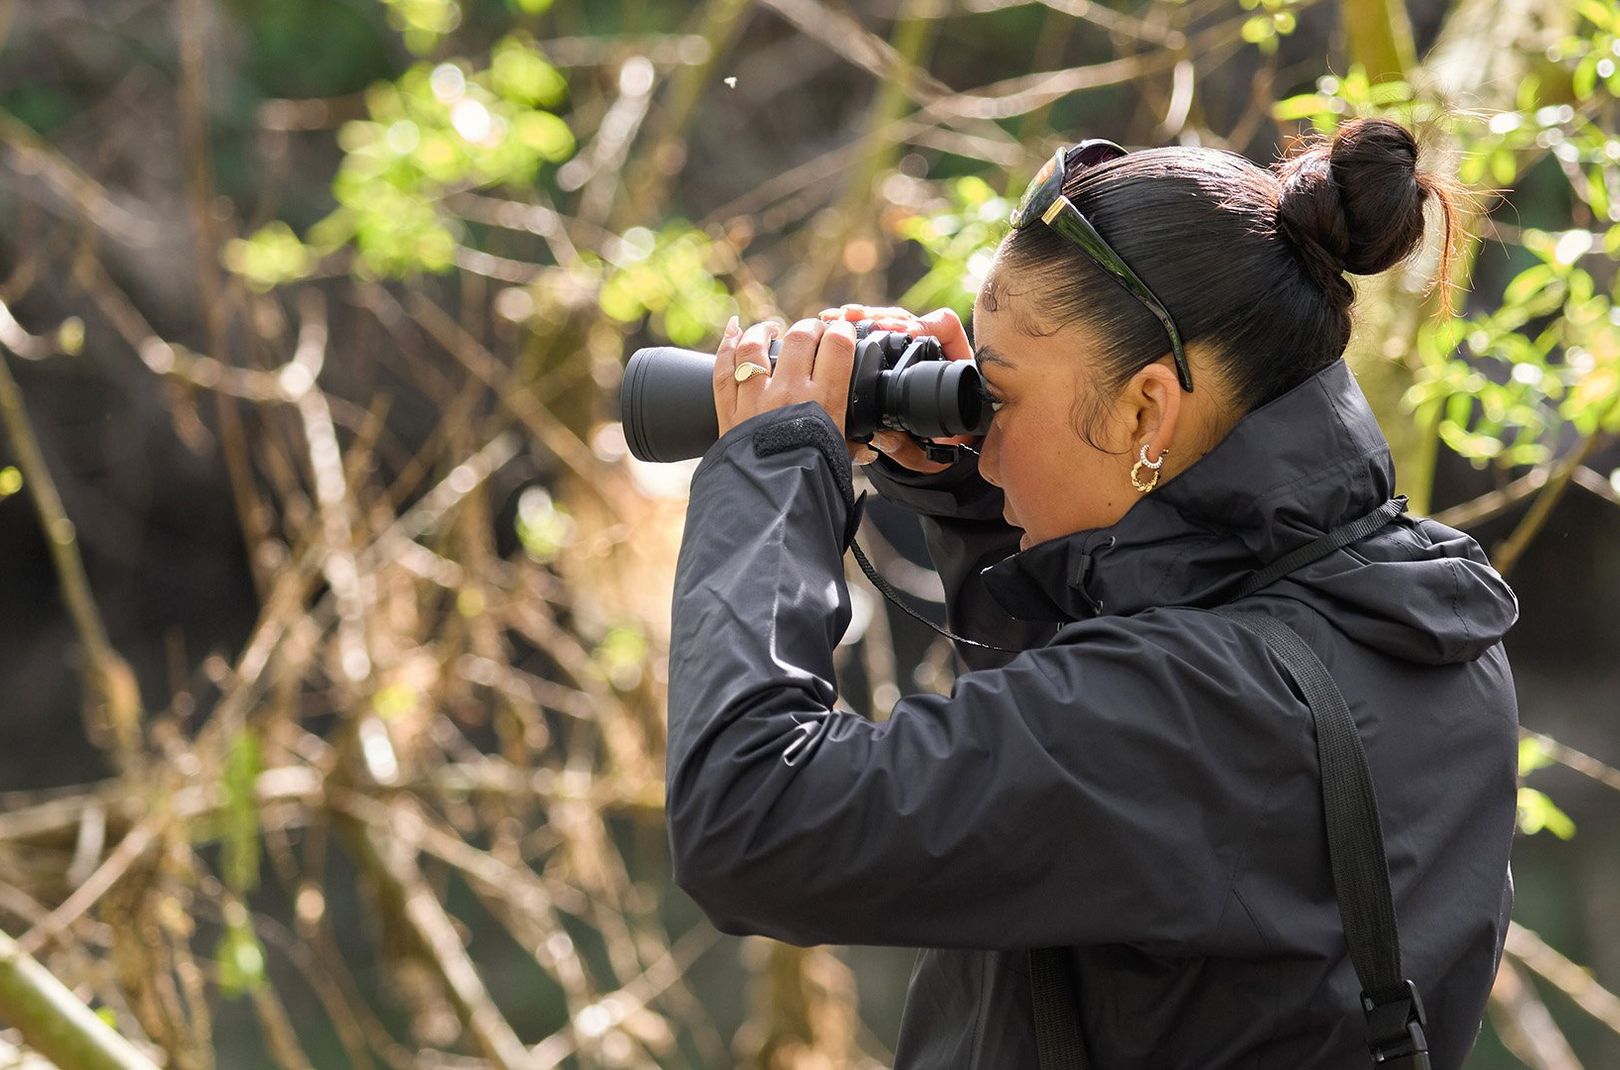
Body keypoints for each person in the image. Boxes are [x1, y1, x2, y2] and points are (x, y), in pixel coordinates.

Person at [662, 117, 1519, 1068]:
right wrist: (977, 501)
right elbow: (1107, 803)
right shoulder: (1421, 615)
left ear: (1147, 407)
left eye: (1001, 398)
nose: (984, 435)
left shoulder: (1191, 712)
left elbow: (751, 822)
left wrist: (774, 473)